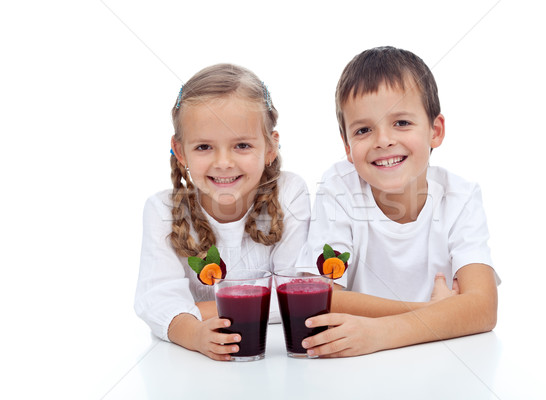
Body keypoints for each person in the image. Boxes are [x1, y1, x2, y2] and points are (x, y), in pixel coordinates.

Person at [301, 46, 499, 358]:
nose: (383, 140)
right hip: (353, 366)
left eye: (402, 123)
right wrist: (434, 313)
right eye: (364, 129)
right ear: (348, 147)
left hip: (440, 361)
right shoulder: (339, 187)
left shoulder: (460, 196)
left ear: (435, 131)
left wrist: (379, 333)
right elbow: (321, 296)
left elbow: (483, 308)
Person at [134, 64, 311, 361]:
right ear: (180, 151)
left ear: (270, 147)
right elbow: (156, 300)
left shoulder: (289, 192)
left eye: (241, 145)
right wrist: (193, 334)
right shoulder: (161, 209)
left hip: (275, 356)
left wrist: (192, 308)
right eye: (204, 146)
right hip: (192, 365)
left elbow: (292, 295)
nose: (224, 162)